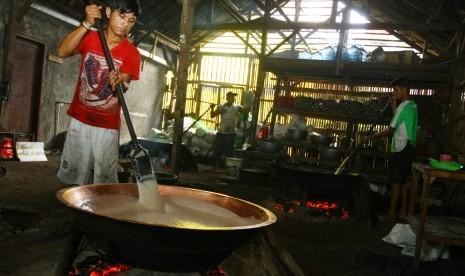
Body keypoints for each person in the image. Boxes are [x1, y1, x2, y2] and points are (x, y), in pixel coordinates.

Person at [56, 0, 141, 185]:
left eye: (131, 20)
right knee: (74, 173)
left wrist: (120, 83)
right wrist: (86, 24)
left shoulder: (132, 52)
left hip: (108, 126)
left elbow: (125, 86)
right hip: (80, 119)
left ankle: (100, 211)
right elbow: (62, 51)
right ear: (109, 12)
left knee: (105, 179)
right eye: (122, 16)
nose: (125, 24)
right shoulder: (91, 37)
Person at [362, 76, 418, 223]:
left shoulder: (403, 107)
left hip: (402, 147)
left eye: (396, 89)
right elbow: (400, 123)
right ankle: (403, 213)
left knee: (395, 182)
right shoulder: (412, 106)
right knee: (402, 182)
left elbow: (390, 129)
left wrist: (369, 138)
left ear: (404, 89)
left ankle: (391, 214)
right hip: (409, 147)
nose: (394, 93)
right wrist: (394, 108)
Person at [210, 91, 250, 169]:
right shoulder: (221, 107)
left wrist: (250, 103)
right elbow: (212, 115)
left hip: (231, 134)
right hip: (222, 132)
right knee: (218, 150)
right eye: (231, 97)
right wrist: (212, 108)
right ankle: (216, 166)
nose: (233, 99)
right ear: (227, 98)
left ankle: (227, 167)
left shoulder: (237, 107)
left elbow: (246, 111)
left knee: (229, 152)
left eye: (234, 97)